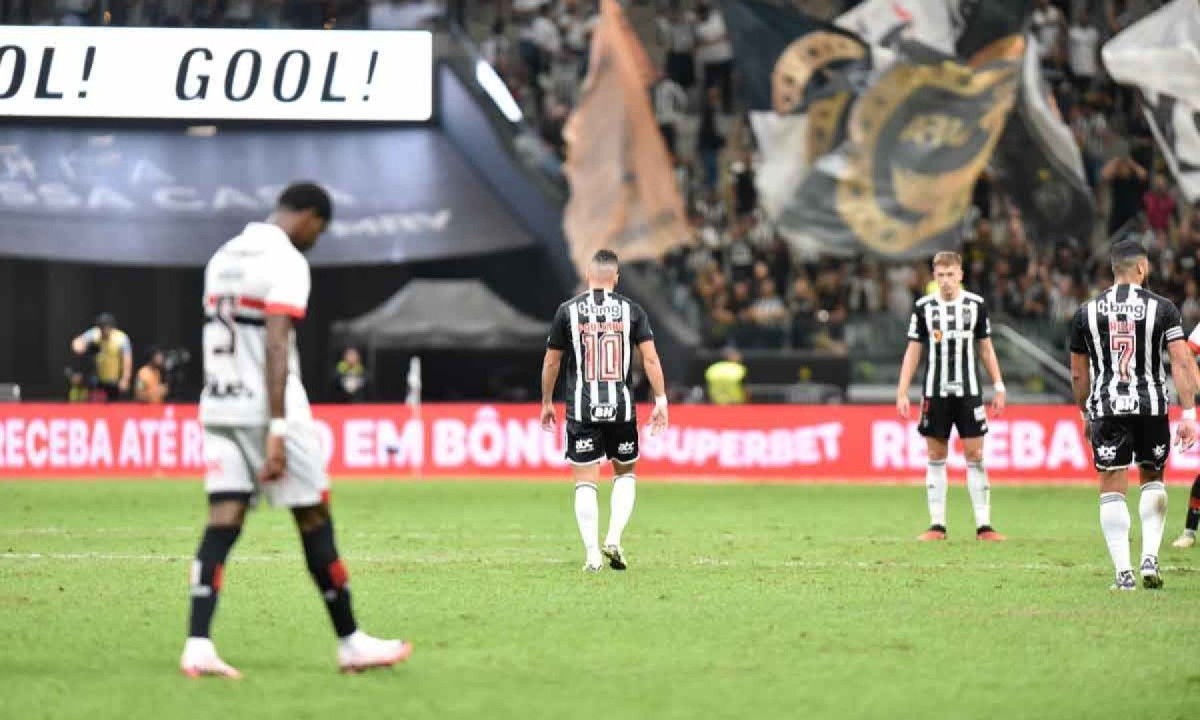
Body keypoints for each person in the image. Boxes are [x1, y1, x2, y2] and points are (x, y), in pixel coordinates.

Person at [181, 183, 411, 678]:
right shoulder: (285, 261)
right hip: (270, 408)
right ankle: (351, 641)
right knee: (313, 517)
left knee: (222, 521)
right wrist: (279, 428)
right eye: (319, 230)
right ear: (307, 216)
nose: (315, 239)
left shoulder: (222, 256)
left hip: (219, 405)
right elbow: (277, 345)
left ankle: (198, 643)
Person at [1069, 239, 1197, 590]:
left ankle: (1123, 574)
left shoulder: (1086, 312)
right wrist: (1189, 412)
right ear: (1142, 268)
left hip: (1107, 407)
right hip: (1152, 406)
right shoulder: (1164, 308)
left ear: (1114, 269)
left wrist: (1084, 414)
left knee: (1112, 484)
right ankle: (1150, 559)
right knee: (1152, 479)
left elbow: (1079, 374)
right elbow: (1182, 361)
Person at [540, 249, 669, 572]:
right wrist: (661, 399)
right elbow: (651, 359)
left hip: (582, 409)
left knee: (585, 482)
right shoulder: (632, 311)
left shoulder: (567, 311)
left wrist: (546, 402)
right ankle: (613, 537)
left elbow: (552, 361)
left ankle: (592, 557)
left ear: (588, 275)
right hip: (621, 408)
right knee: (625, 473)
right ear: (616, 277)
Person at [896, 252, 1008, 543]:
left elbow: (985, 347)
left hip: (969, 392)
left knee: (976, 455)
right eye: (940, 275)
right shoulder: (923, 308)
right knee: (935, 456)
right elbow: (913, 350)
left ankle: (984, 525)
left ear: (961, 274)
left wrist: (998, 385)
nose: (945, 281)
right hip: (935, 392)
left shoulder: (975, 305)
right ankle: (937, 525)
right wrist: (902, 390)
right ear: (934, 276)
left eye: (951, 274)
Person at [71, 312, 132, 402]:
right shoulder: (94, 334)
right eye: (102, 328)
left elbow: (127, 360)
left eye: (106, 328)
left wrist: (125, 379)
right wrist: (79, 347)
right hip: (97, 379)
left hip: (113, 380)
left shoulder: (121, 339)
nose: (104, 331)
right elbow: (77, 343)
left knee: (113, 406)